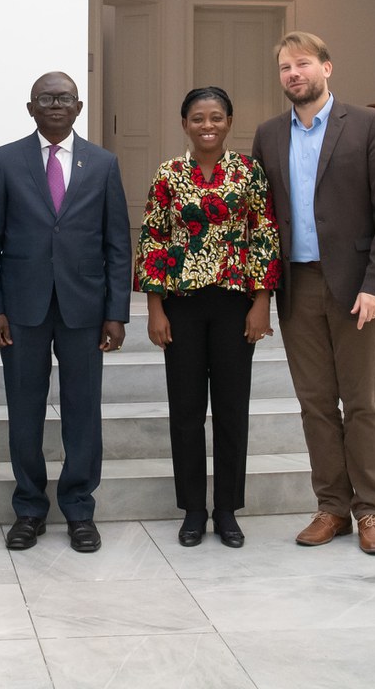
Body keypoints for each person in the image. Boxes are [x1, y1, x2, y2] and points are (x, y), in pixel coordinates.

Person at [250, 31, 375, 555]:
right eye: (284, 68)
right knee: (315, 403)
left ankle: (371, 512)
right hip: (298, 286)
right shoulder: (269, 135)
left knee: (362, 403)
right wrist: (262, 293)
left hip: (358, 287)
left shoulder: (368, 125)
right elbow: (262, 217)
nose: (293, 74)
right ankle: (332, 507)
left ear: (327, 68)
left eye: (302, 64)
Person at [0, 71, 131, 553]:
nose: (55, 105)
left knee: (82, 411)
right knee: (23, 410)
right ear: (30, 108)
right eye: (45, 98)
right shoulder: (5, 161)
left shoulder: (104, 164)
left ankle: (80, 509)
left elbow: (118, 244)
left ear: (79, 106)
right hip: (20, 309)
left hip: (85, 308)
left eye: (64, 98)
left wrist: (117, 312)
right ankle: (28, 508)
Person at [135, 87, 281, 549]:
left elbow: (264, 235)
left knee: (233, 410)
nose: (207, 126)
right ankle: (194, 511)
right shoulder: (168, 174)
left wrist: (263, 301)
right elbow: (154, 239)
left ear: (230, 121)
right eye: (197, 118)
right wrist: (154, 307)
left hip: (236, 303)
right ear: (184, 125)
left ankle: (227, 510)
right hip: (181, 305)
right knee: (186, 410)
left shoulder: (248, 172)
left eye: (216, 117)